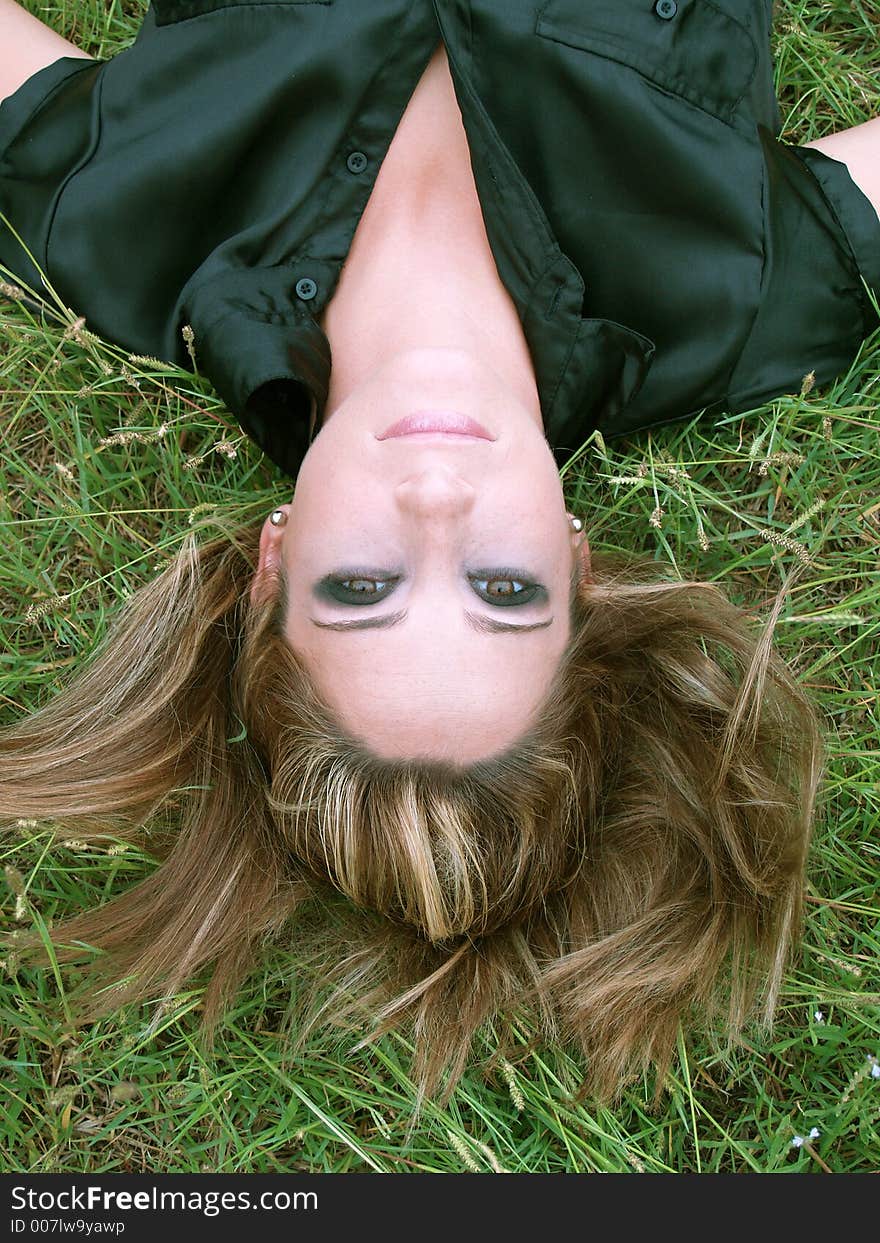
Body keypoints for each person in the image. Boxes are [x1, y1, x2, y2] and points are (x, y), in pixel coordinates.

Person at [0, 0, 876, 1105]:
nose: (433, 500)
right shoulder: (741, 302)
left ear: (271, 566)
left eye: (363, 586)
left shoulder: (113, 230)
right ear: (577, 568)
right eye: (501, 590)